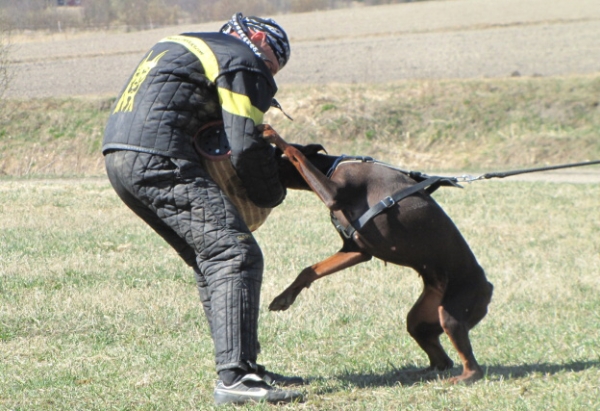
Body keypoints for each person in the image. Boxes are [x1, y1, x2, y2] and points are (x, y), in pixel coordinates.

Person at [102, 13, 303, 405]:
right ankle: (236, 378)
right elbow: (244, 144)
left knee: (210, 258)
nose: (266, 72)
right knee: (234, 253)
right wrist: (270, 192)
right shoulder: (241, 57)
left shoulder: (185, 44)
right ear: (259, 39)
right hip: (160, 158)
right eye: (272, 65)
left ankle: (241, 368)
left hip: (120, 157)